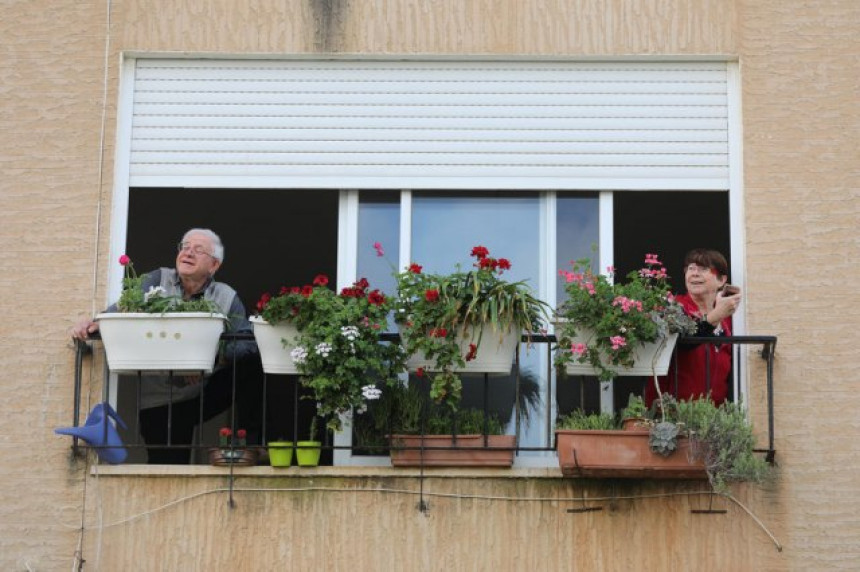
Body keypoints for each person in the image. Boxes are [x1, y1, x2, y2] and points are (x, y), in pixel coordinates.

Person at [71, 228, 263, 464]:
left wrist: (208, 361)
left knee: (252, 364)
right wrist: (94, 323)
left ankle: (252, 442)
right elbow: (121, 310)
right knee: (169, 464)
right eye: (185, 246)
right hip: (162, 398)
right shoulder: (157, 280)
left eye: (198, 249)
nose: (188, 253)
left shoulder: (225, 295)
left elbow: (246, 344)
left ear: (213, 265)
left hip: (203, 391)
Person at [644, 248, 741, 407]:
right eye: (690, 268)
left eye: (703, 269)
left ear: (721, 280)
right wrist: (715, 316)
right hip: (672, 414)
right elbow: (682, 342)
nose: (694, 273)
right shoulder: (673, 308)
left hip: (714, 418)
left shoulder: (730, 321)